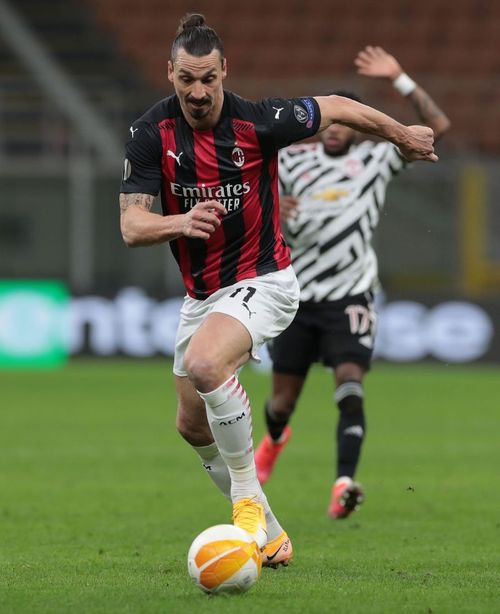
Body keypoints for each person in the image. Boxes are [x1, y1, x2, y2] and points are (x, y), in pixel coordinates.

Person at [119, 16, 437, 569]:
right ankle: (269, 532)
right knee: (190, 423)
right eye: (186, 79)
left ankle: (245, 500)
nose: (197, 92)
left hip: (265, 280)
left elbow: (338, 106)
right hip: (203, 296)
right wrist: (181, 221)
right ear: (170, 73)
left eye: (208, 79)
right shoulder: (151, 134)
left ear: (225, 73)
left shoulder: (259, 120)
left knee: (204, 363)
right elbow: (131, 226)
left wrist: (402, 135)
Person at [254, 45, 450, 520]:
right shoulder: (290, 163)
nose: (337, 128)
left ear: (359, 126)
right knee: (282, 402)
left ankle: (343, 484)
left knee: (350, 383)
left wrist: (400, 78)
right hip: (297, 297)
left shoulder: (376, 160)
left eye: (346, 121)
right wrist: (275, 211)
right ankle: (276, 438)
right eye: (330, 121)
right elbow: (251, 206)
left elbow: (435, 130)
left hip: (352, 295)